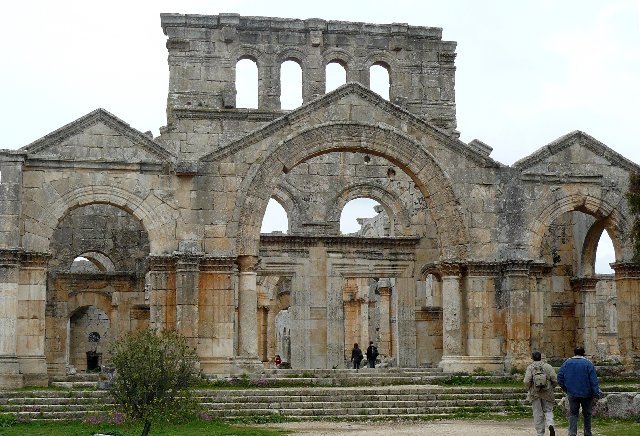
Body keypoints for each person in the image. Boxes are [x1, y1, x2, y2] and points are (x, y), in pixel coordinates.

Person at [557, 346, 602, 436]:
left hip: (572, 392)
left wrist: (566, 388)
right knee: (587, 414)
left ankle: (572, 433)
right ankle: (587, 433)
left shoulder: (567, 363)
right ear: (583, 353)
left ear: (574, 353)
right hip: (587, 393)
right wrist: (596, 394)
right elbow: (593, 381)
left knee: (573, 413)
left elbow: (560, 377)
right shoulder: (588, 364)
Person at [523, 351, 557, 436]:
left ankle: (540, 433)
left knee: (537, 413)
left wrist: (530, 387)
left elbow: (526, 381)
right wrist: (551, 387)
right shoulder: (548, 366)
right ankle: (550, 424)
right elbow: (555, 379)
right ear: (541, 357)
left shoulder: (530, 367)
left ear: (532, 358)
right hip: (547, 392)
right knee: (548, 410)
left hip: (535, 393)